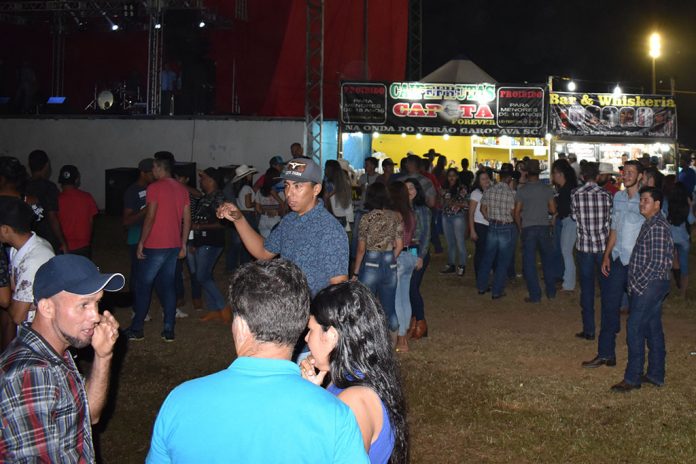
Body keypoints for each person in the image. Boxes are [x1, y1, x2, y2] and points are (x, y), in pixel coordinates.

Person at [147, 259, 368, 463]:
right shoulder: (334, 416)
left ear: (240, 327)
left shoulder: (179, 402)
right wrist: (313, 397)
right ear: (300, 326)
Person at [0, 254, 124, 461]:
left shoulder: (56, 351)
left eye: (97, 303)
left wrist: (103, 356)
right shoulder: (33, 375)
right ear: (47, 308)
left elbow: (88, 416)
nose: (95, 316)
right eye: (84, 305)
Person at [301, 281, 408, 463]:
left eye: (311, 330)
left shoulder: (354, 402)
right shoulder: (350, 378)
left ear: (331, 336)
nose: (306, 338)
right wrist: (314, 395)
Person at [611, 187, 673, 392]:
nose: (641, 203)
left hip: (650, 284)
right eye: (641, 200)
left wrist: (637, 284)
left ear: (657, 205)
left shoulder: (657, 226)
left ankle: (632, 378)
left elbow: (656, 263)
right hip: (652, 284)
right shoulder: (651, 223)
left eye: (646, 200)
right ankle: (656, 374)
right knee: (652, 327)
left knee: (635, 327)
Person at [583, 160, 644, 368]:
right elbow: (614, 229)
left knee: (639, 312)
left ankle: (639, 361)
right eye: (624, 172)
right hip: (617, 260)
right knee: (609, 307)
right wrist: (607, 255)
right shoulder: (617, 197)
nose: (626, 175)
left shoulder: (646, 199)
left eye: (631, 172)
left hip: (637, 263)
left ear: (640, 176)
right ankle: (606, 353)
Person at [124, 152, 190, 342]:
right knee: (167, 285)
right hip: (173, 244)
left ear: (161, 168)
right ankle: (168, 328)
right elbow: (187, 219)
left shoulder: (154, 188)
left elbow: (150, 216)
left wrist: (142, 242)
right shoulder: (182, 189)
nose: (152, 171)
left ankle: (137, 328)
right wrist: (183, 243)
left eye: (154, 168)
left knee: (143, 285)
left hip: (156, 244)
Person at [352, 183, 402, 337]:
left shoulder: (366, 218)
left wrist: (355, 273)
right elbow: (399, 245)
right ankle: (393, 341)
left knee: (366, 307)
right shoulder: (395, 217)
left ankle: (369, 339)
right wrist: (389, 259)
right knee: (389, 308)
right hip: (389, 262)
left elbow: (361, 249)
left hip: (370, 264)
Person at [571, 162, 612, 341]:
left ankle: (589, 330)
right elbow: (610, 220)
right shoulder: (607, 195)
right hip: (603, 248)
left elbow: (574, 217)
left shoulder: (575, 194)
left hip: (585, 248)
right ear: (597, 176)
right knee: (606, 289)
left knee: (586, 290)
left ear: (582, 176)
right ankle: (608, 327)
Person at [0, 197, 55, 328]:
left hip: (38, 331)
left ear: (5, 229)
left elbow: (17, 316)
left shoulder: (34, 260)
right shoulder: (18, 248)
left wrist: (8, 299)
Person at [190, 168, 231, 322]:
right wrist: (194, 241)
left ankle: (223, 306)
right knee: (205, 275)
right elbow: (198, 220)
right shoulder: (205, 197)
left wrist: (199, 227)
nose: (200, 180)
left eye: (203, 178)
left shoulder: (218, 197)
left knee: (202, 276)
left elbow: (222, 224)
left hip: (212, 241)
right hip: (202, 241)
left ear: (211, 180)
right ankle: (214, 310)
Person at [514, 159, 557, 303]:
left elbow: (516, 212)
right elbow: (553, 209)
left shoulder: (522, 190)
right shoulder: (547, 189)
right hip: (543, 227)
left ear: (526, 173)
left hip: (528, 228)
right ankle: (551, 292)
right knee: (548, 261)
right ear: (539, 173)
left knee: (529, 263)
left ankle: (535, 295)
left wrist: (520, 227)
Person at [476, 166, 516, 300]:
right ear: (509, 178)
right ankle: (497, 291)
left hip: (493, 225)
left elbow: (482, 209)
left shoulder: (490, 190)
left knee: (487, 258)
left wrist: (490, 219)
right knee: (503, 261)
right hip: (506, 226)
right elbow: (513, 212)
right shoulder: (511, 193)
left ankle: (481, 286)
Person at [389, 181, 417, 352]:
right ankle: (404, 334)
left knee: (397, 299)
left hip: (398, 256)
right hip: (408, 256)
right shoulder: (409, 213)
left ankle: (401, 338)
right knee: (405, 297)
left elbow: (394, 241)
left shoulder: (395, 214)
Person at [404, 178, 431, 341]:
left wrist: (421, 256)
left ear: (417, 190)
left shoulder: (423, 210)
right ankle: (414, 320)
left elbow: (426, 234)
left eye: (412, 188)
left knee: (412, 287)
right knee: (408, 288)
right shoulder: (401, 208)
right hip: (404, 252)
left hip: (417, 250)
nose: (409, 191)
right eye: (405, 188)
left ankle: (421, 321)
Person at [26, 150, 68, 253]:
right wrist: (62, 241)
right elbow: (52, 217)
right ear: (47, 165)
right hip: (47, 240)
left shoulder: (22, 186)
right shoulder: (49, 187)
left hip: (27, 238)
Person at [123, 158, 155, 294]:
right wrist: (146, 210)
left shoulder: (154, 188)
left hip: (152, 235)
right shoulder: (132, 191)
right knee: (138, 271)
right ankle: (135, 300)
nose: (154, 175)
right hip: (136, 236)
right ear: (143, 173)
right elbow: (126, 221)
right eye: (151, 173)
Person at [56, 165, 98, 258]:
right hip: (83, 245)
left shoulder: (56, 200)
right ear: (77, 180)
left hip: (64, 246)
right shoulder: (87, 197)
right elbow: (90, 221)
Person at [551, 159, 578, 292]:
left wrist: (555, 214)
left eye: (554, 173)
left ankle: (569, 283)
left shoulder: (567, 189)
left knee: (566, 252)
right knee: (566, 252)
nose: (553, 176)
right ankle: (567, 281)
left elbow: (566, 209)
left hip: (570, 221)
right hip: (568, 221)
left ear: (560, 173)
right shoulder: (567, 188)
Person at [225, 164, 257, 272]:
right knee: (248, 242)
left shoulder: (237, 188)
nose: (251, 176)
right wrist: (257, 203)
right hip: (248, 215)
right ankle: (245, 266)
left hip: (241, 213)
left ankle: (232, 266)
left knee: (237, 243)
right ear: (247, 176)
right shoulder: (247, 188)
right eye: (250, 174)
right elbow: (248, 204)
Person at [665, 182, 694, 297]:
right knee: (684, 265)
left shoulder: (667, 203)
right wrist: (691, 206)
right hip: (683, 239)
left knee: (670, 263)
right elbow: (691, 220)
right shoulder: (685, 204)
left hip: (671, 238)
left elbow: (664, 218)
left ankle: (668, 289)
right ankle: (683, 293)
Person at [440, 167, 468, 276]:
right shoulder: (445, 188)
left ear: (457, 177)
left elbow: (465, 203)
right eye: (449, 176)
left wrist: (450, 202)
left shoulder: (462, 188)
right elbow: (442, 202)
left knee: (460, 242)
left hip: (458, 217)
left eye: (453, 176)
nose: (451, 178)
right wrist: (443, 198)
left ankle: (462, 265)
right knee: (450, 242)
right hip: (446, 216)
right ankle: (451, 264)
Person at [468, 169, 492, 278]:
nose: (486, 181)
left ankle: (486, 273)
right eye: (483, 179)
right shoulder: (476, 193)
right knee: (481, 252)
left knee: (489, 251)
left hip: (489, 224)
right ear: (478, 181)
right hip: (480, 224)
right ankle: (480, 276)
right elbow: (471, 213)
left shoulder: (491, 191)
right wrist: (472, 230)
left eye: (487, 178)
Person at [324, 159, 354, 229]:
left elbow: (326, 198)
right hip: (342, 216)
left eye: (325, 168)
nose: (324, 170)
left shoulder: (329, 183)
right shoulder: (344, 182)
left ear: (329, 169)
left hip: (333, 216)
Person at [255, 167, 285, 238]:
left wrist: (266, 212)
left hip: (263, 220)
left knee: (264, 243)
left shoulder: (260, 191)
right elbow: (284, 207)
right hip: (275, 219)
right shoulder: (280, 191)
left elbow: (258, 209)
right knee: (274, 242)